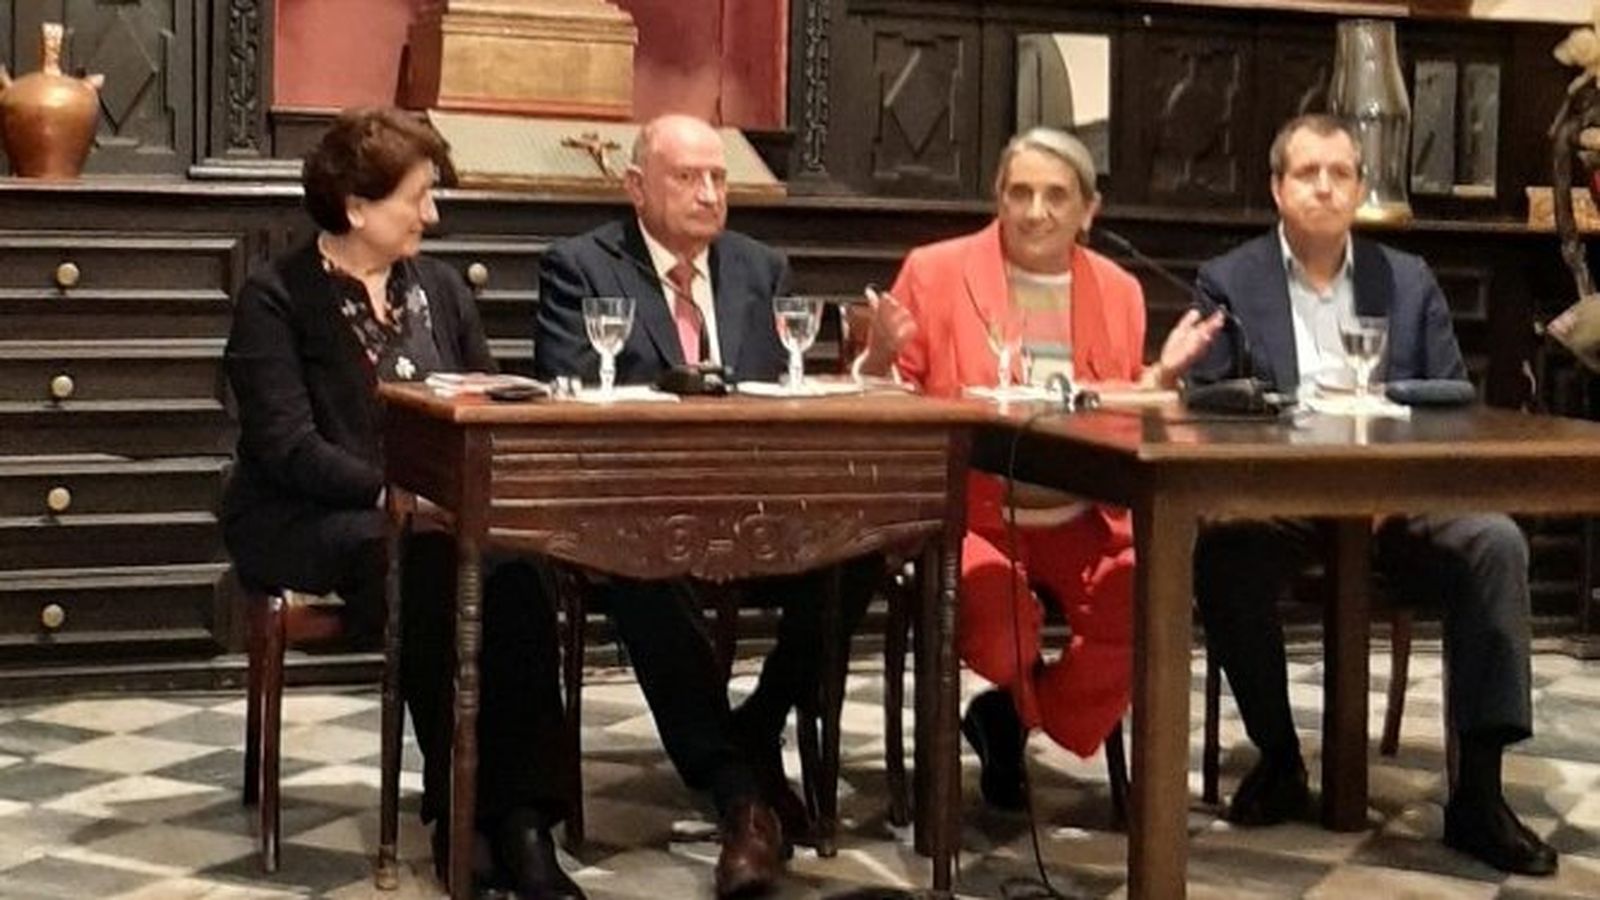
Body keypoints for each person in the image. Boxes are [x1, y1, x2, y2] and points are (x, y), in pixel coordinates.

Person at [223, 107, 584, 899]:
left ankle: (520, 823)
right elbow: (288, 447)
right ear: (356, 205)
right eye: (418, 197)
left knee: (519, 569)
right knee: (424, 564)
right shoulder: (274, 297)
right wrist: (395, 491)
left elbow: (485, 399)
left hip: (431, 511)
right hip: (305, 514)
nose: (434, 214)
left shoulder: (442, 290)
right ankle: (462, 818)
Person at [1188, 112, 1557, 876]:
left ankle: (1479, 798)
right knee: (1222, 553)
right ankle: (1282, 757)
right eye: (1306, 173)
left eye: (1340, 173)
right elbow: (1210, 397)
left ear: (1360, 187)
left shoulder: (1407, 276)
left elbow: (1454, 393)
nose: (1324, 187)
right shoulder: (1231, 278)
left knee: (1495, 540)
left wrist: (1379, 414)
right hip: (1282, 504)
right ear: (1277, 189)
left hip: (1399, 502)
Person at [534, 113, 880, 898]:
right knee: (642, 570)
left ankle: (756, 723)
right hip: (636, 508)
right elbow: (571, 384)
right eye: (687, 177)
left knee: (864, 547)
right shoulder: (582, 267)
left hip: (757, 504)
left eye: (719, 178)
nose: (708, 193)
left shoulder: (761, 268)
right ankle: (741, 795)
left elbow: (787, 392)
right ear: (636, 188)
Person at [855, 127, 1221, 808]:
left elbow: (1104, 406)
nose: (1035, 211)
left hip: (1086, 515)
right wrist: (877, 357)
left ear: (1089, 211)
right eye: (1019, 192)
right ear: (997, 197)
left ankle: (1010, 717)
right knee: (1001, 636)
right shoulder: (934, 273)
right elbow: (885, 398)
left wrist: (1158, 380)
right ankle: (1011, 705)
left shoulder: (1119, 289)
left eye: (1057, 196)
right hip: (973, 515)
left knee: (1153, 605)